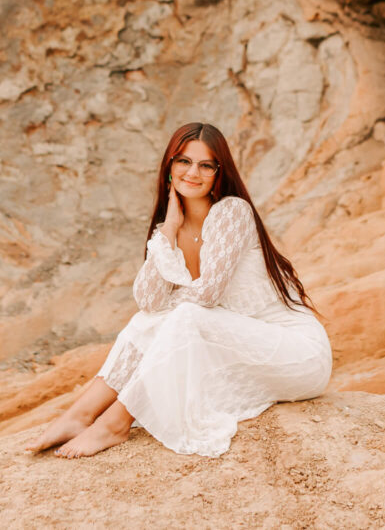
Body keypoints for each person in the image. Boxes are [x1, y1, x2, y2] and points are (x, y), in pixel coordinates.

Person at [26, 122, 332, 458]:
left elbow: (208, 295)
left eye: (205, 165)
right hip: (246, 350)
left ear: (219, 172)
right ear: (169, 167)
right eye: (183, 161)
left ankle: (114, 424)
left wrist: (166, 312)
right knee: (150, 319)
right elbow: (148, 301)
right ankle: (80, 414)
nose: (193, 173)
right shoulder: (169, 230)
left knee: (183, 314)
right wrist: (169, 230)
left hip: (295, 353)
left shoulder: (232, 212)